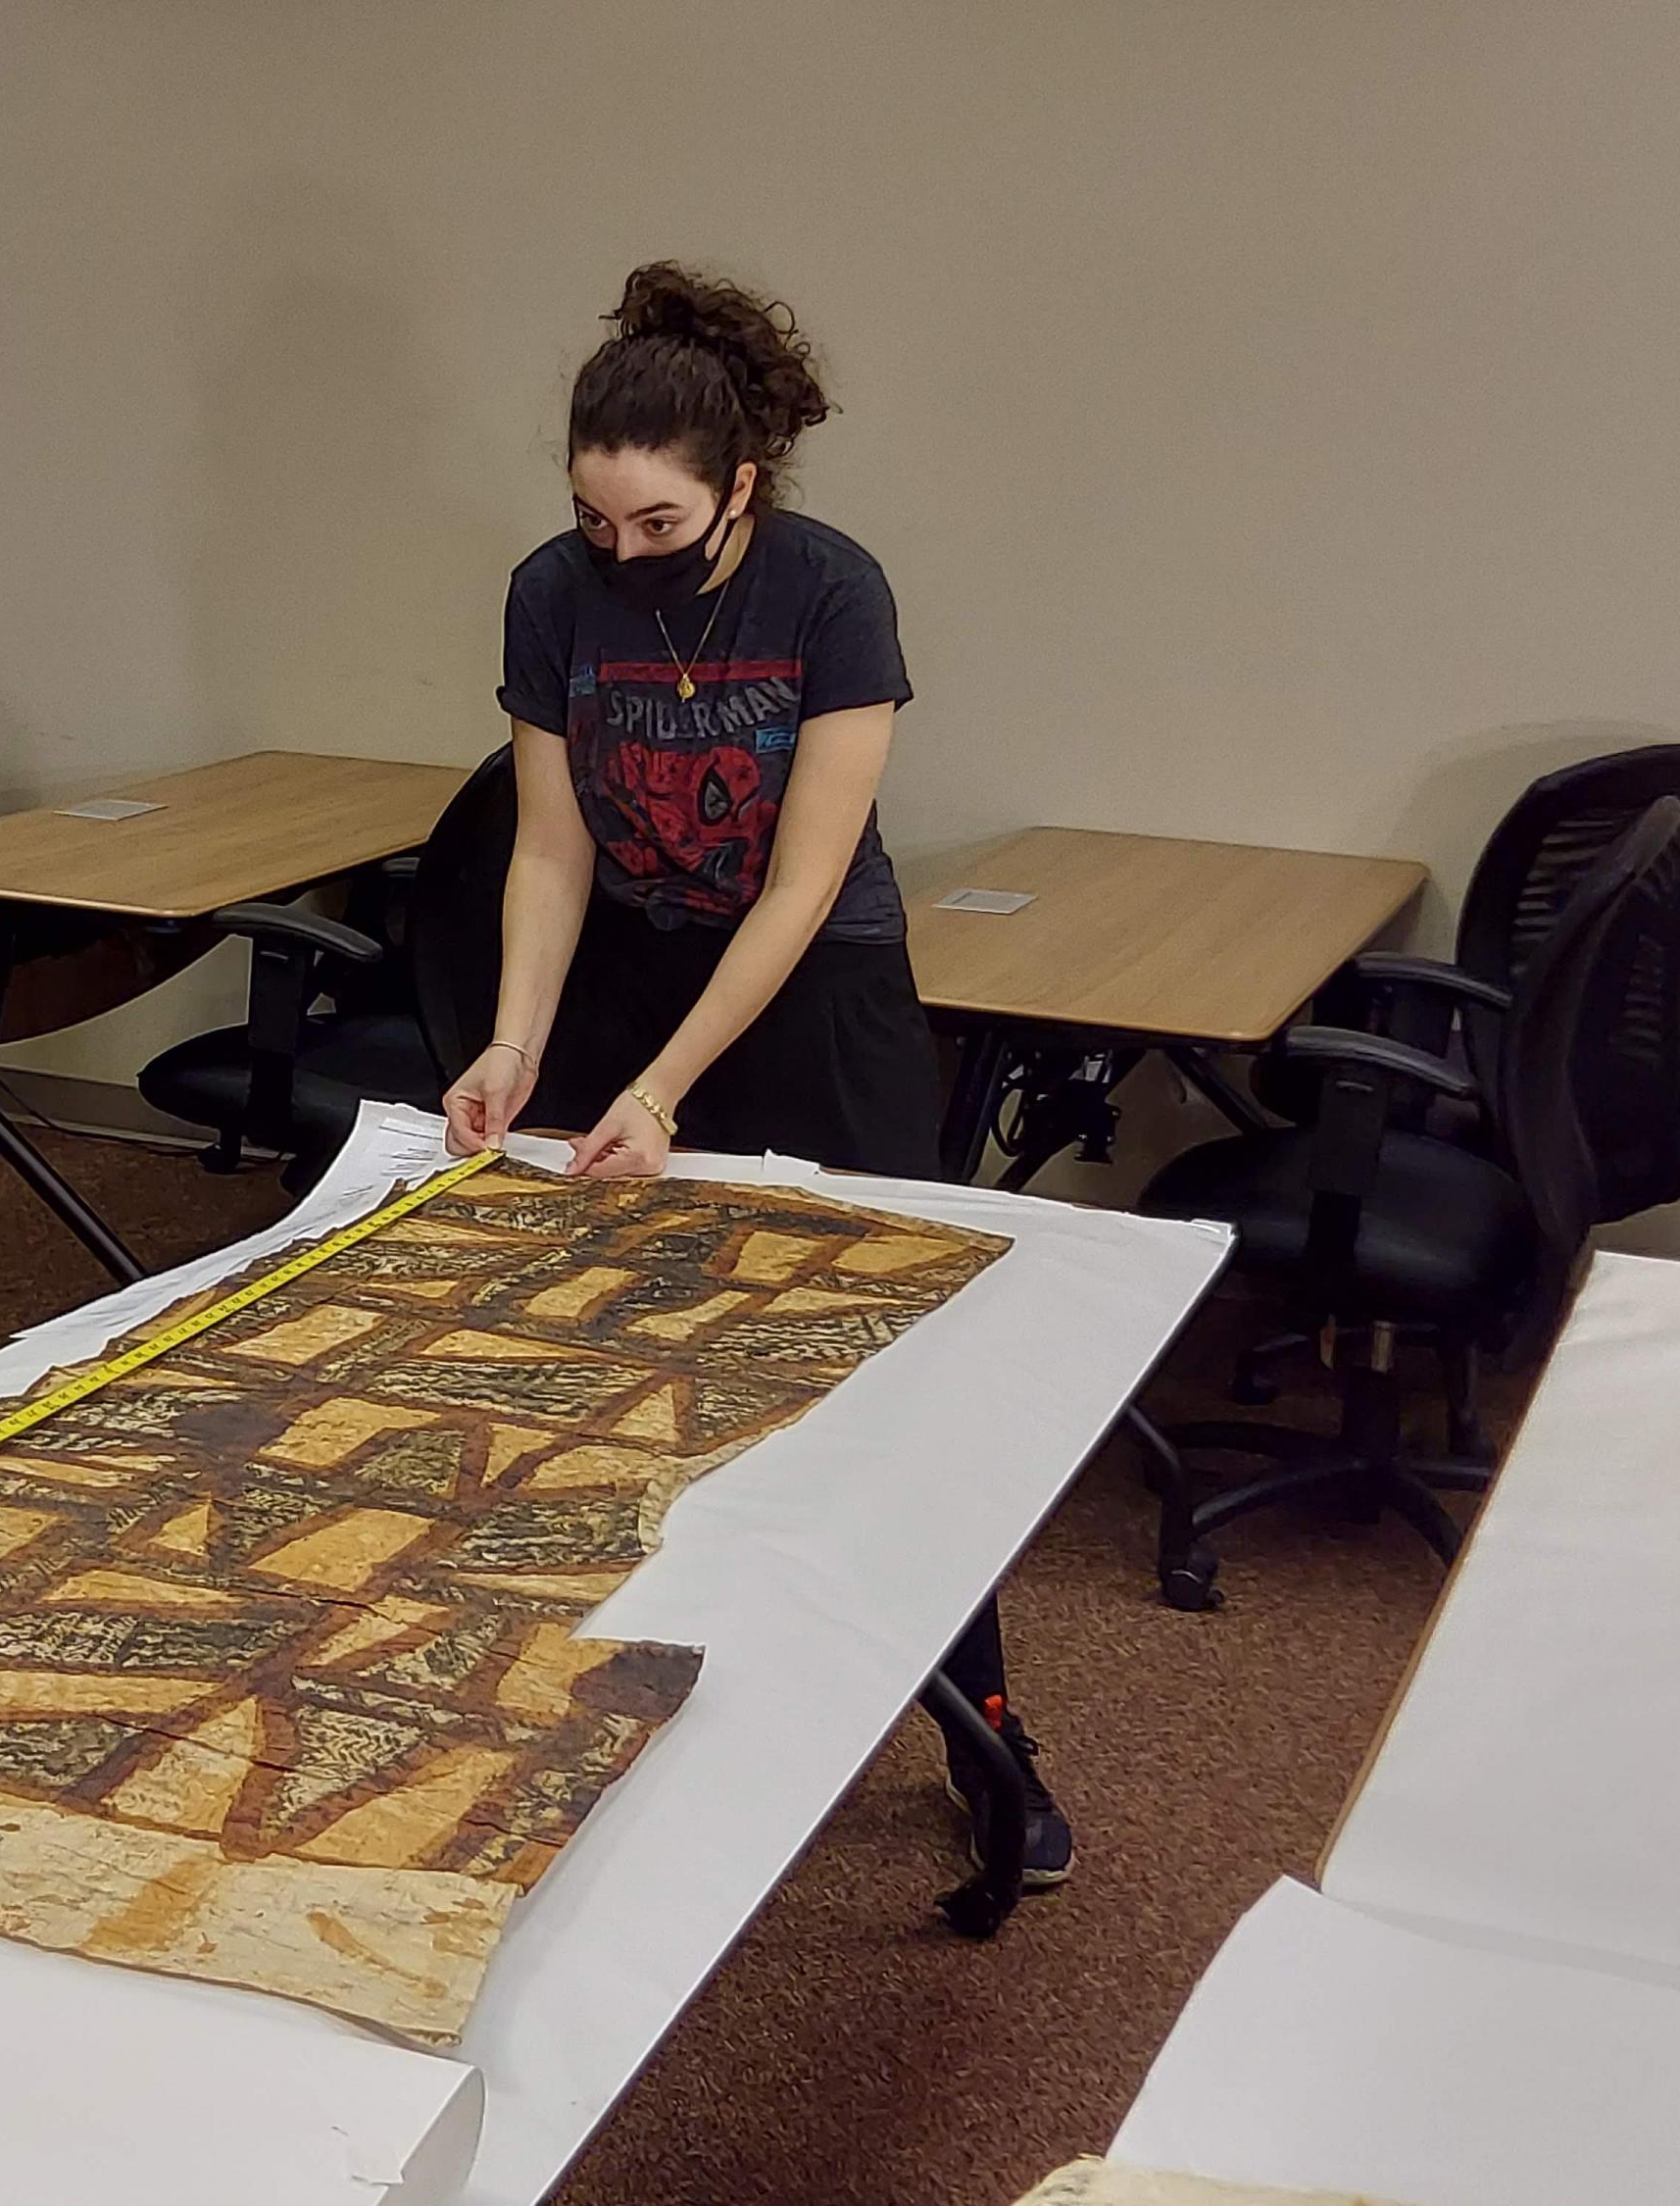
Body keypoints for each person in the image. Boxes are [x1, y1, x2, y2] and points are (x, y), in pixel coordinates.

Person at [441, 261, 1073, 1884]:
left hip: (814, 993)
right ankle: (598, 1705)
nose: (622, 555)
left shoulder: (829, 591)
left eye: (657, 526)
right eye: (598, 523)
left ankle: (983, 1721)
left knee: (880, 1366)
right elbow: (551, 852)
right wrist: (522, 1044)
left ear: (742, 486)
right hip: (633, 968)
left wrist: (667, 1086)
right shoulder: (551, 595)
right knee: (602, 1351)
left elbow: (800, 884)